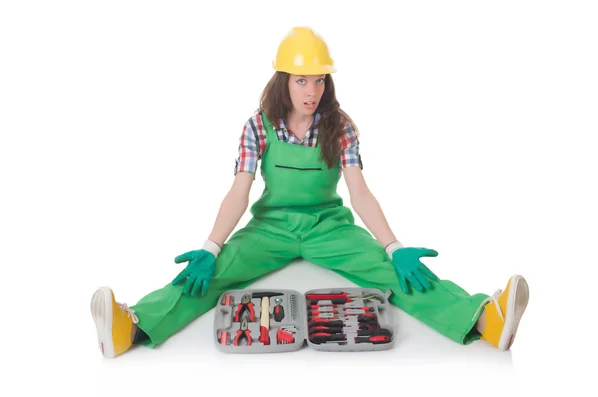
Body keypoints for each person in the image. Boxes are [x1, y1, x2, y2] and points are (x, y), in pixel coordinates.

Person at [90, 26, 529, 359]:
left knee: (394, 272)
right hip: (270, 230)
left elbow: (360, 193)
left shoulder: (341, 127)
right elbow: (239, 192)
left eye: (319, 81)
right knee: (210, 273)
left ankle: (483, 319)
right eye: (302, 81)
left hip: (329, 228)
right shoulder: (257, 126)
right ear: (283, 80)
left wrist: (394, 247)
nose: (312, 91)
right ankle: (132, 327)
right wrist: (210, 246)